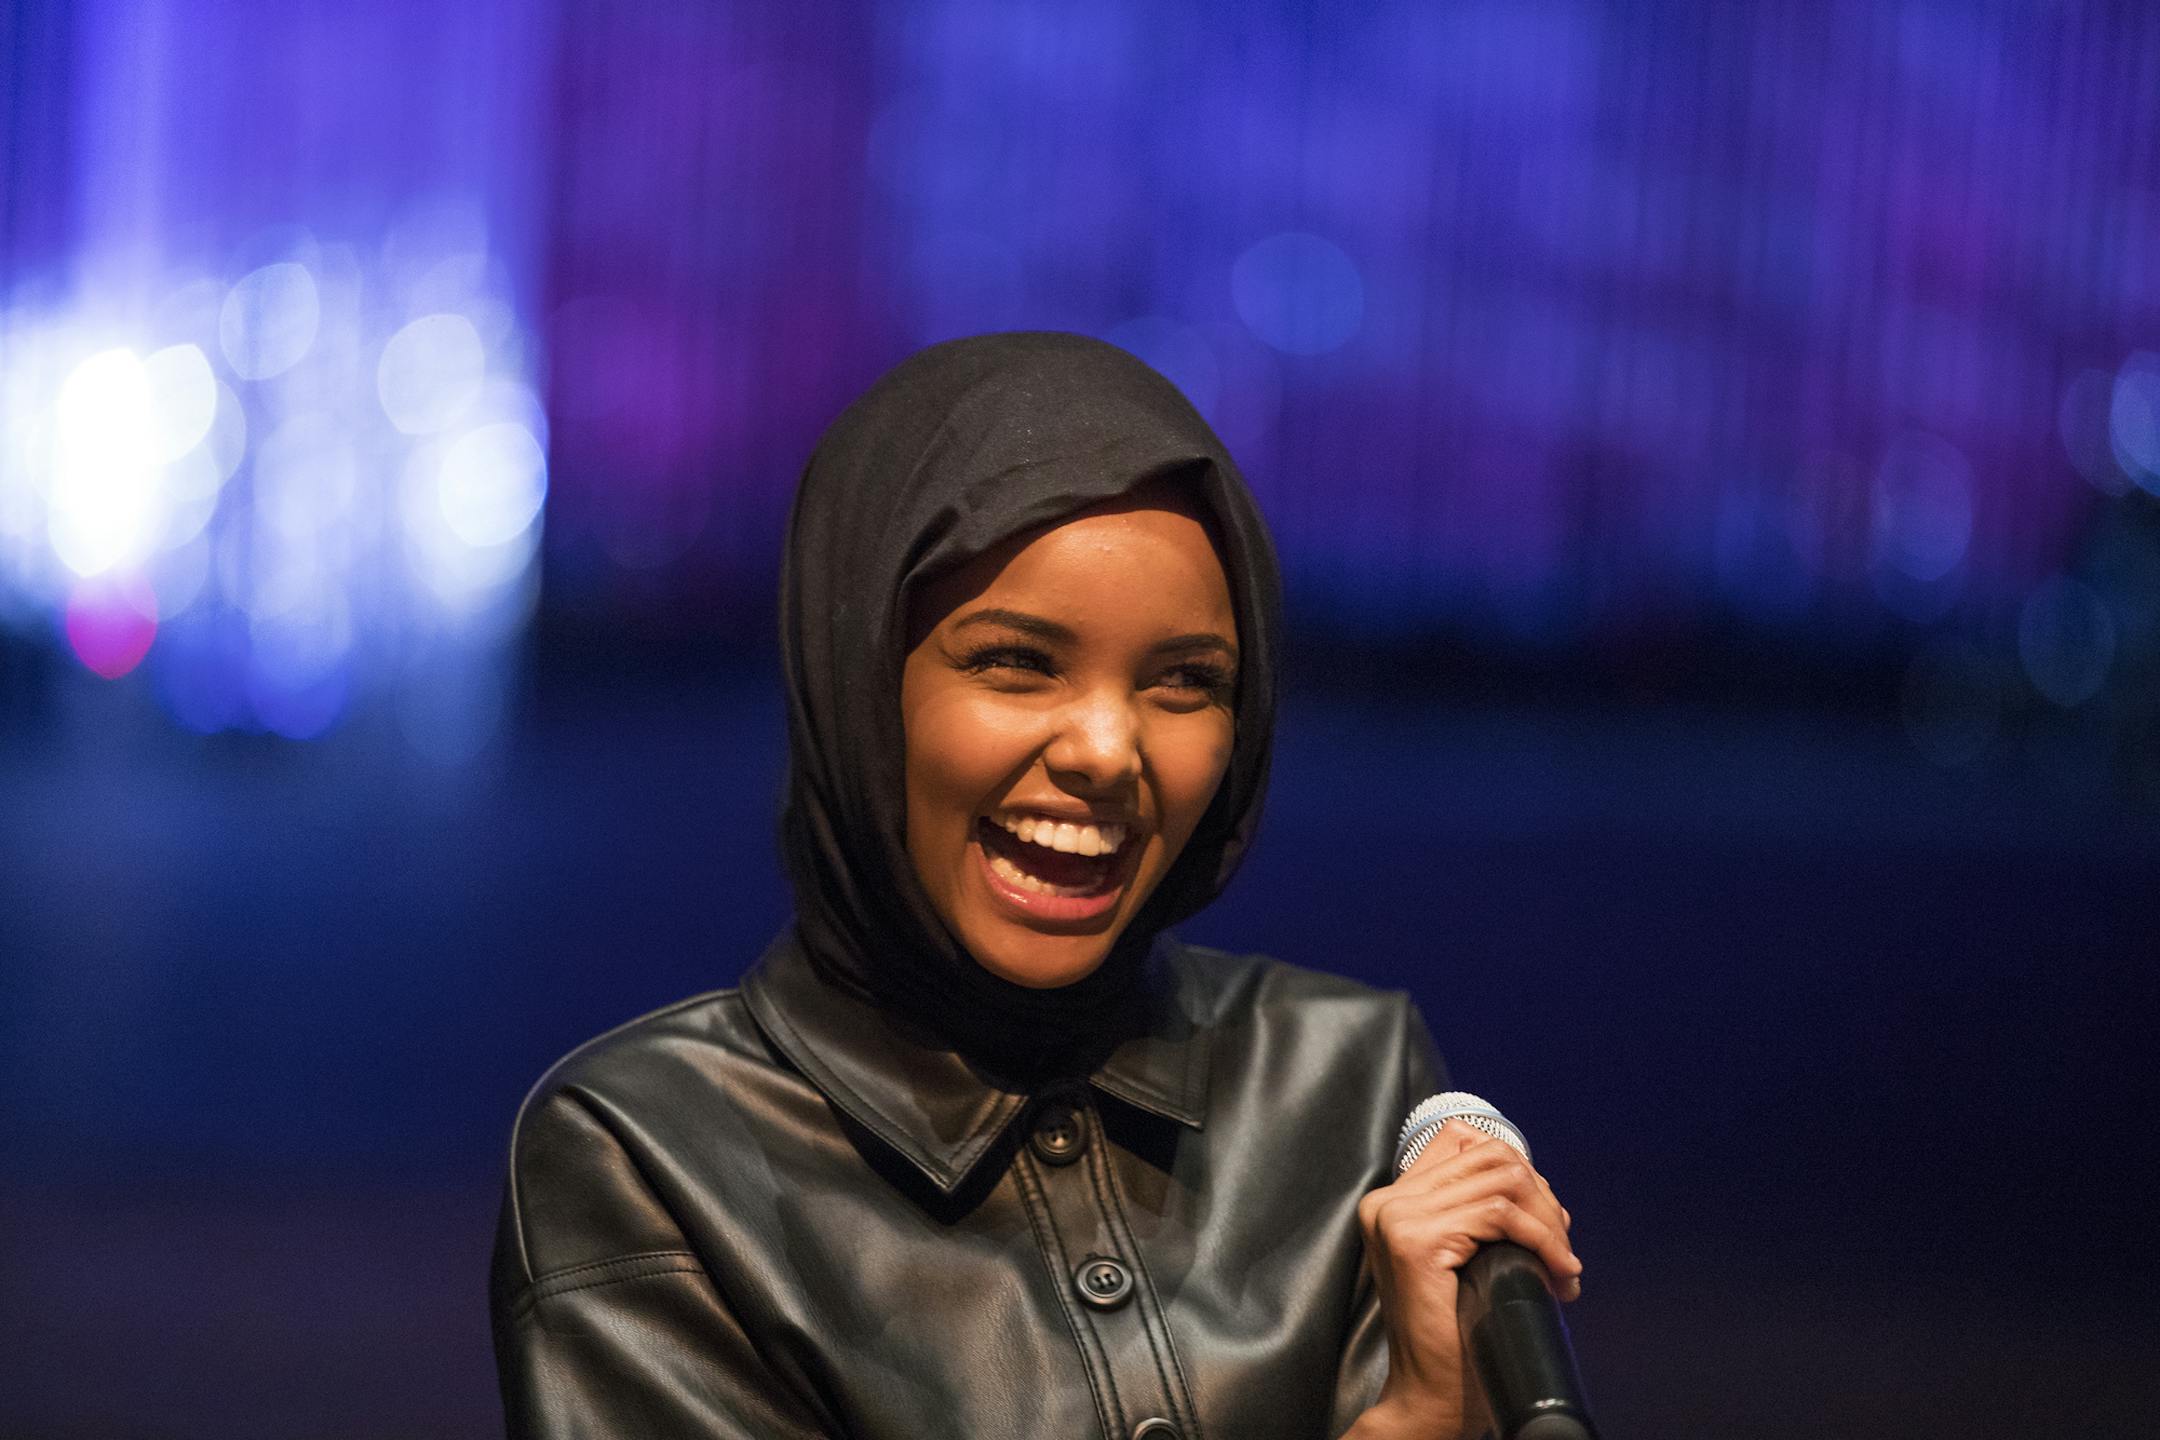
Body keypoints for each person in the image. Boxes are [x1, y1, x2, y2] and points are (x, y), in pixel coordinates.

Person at [489, 332, 1580, 1439]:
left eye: (1187, 681)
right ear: (858, 682)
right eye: (1016, 662)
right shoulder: (650, 1153)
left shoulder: (1345, 1079)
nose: (1110, 750)